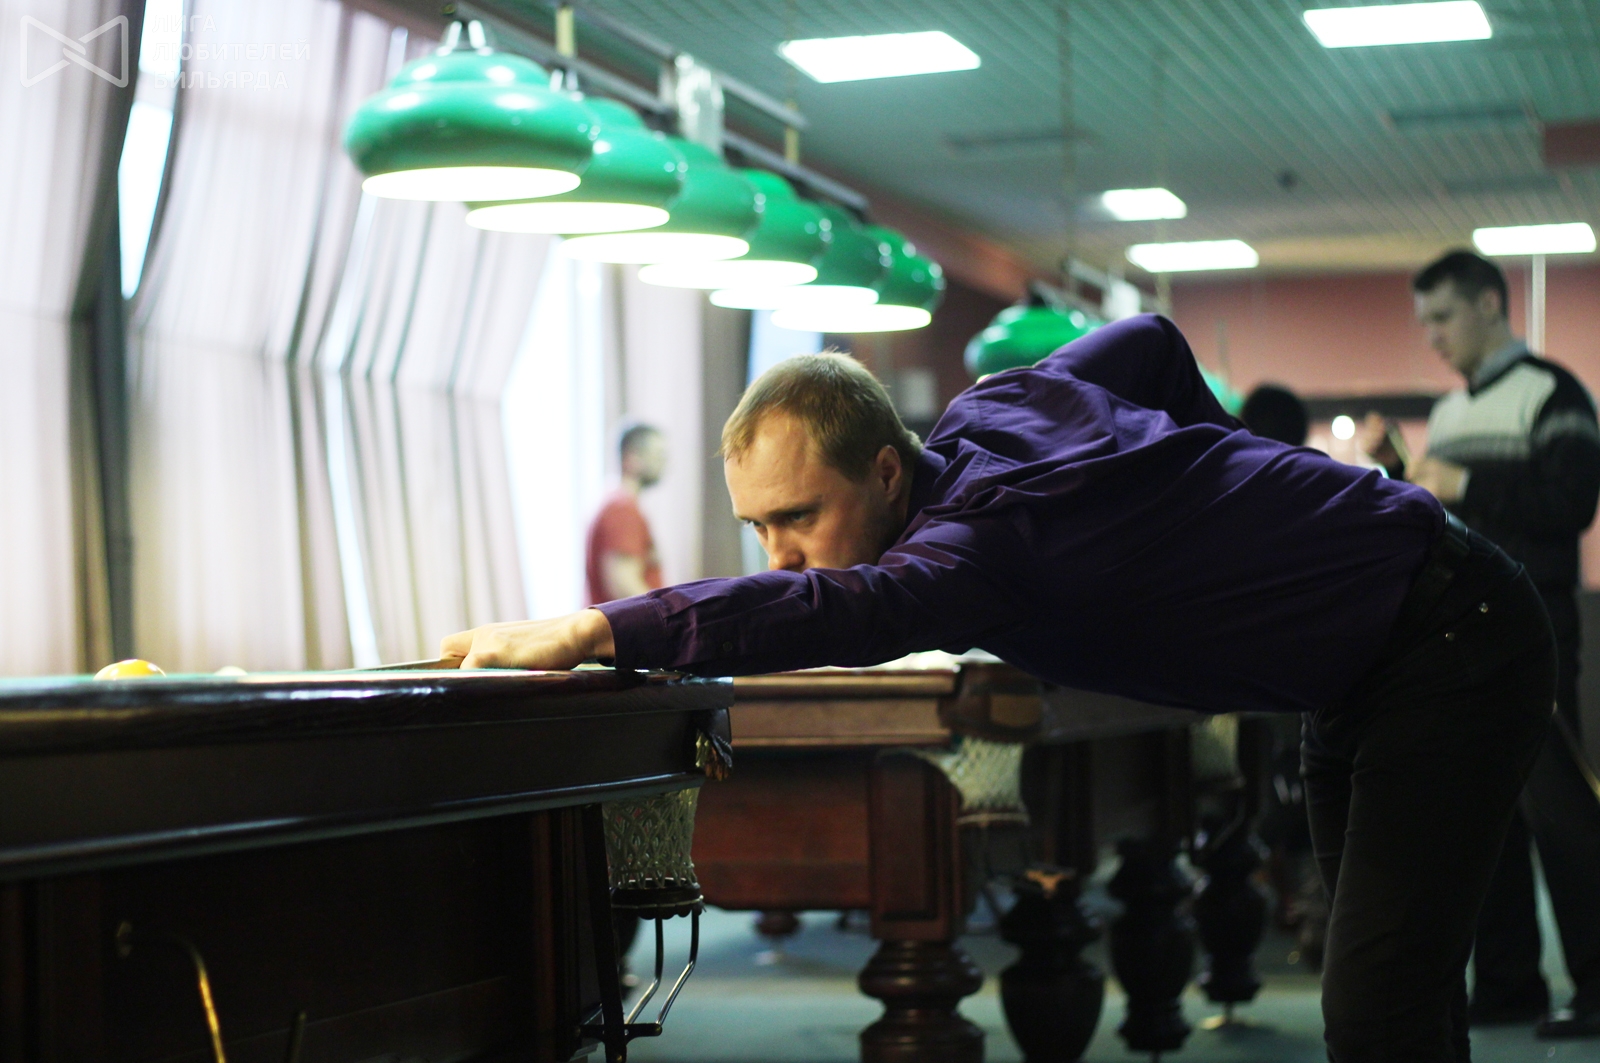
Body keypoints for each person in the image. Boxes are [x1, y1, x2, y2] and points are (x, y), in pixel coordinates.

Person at [448, 315, 1554, 1061]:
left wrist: (602, 627)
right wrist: (1217, 495)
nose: (779, 554)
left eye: (798, 517)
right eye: (758, 526)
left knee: (1376, 1010)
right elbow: (1150, 342)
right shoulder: (1000, 403)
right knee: (1400, 998)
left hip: (1449, 638)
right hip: (1363, 665)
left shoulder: (974, 550)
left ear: (886, 469)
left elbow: (837, 612)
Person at [1359, 249, 1600, 1037]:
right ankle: (1508, 982)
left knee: (1560, 811)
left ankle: (1598, 985)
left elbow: (1572, 502)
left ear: (1490, 305)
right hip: (1462, 628)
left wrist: (1464, 483)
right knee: (1482, 811)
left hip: (1538, 621)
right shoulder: (1450, 414)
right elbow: (1452, 524)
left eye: (1442, 316)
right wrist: (1403, 471)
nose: (1432, 335)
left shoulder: (1554, 393)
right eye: (1424, 320)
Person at [585, 423, 667, 606]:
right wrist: (664, 615)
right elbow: (622, 583)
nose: (664, 463)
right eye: (657, 455)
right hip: (625, 625)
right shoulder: (622, 509)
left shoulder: (614, 501)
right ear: (631, 458)